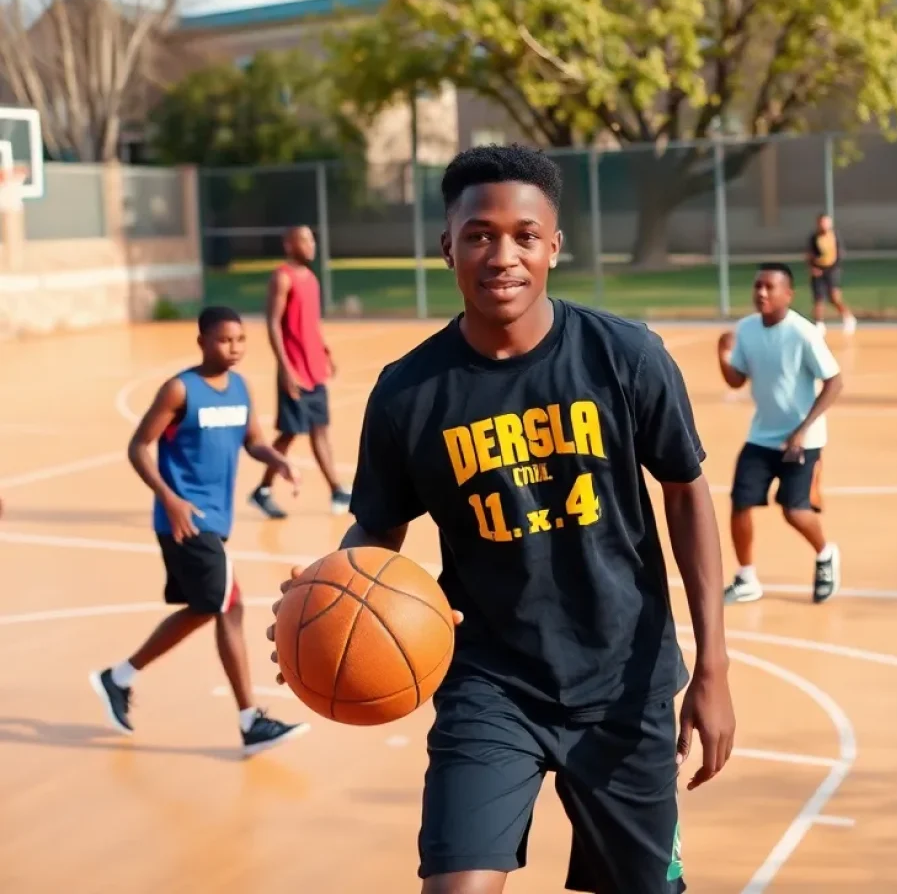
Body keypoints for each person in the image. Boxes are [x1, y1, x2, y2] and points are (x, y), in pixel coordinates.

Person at [267, 144, 736, 894]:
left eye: (524, 234)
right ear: (447, 244)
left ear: (555, 245)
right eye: (480, 234)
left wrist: (712, 667)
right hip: (489, 681)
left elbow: (685, 492)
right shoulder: (408, 392)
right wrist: (324, 597)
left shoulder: (625, 357)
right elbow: (377, 534)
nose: (502, 254)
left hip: (623, 680)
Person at [90, 306, 310, 757]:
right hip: (186, 521)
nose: (233, 348)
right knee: (227, 605)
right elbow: (138, 447)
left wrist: (278, 460)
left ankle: (119, 677)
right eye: (224, 340)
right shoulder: (180, 390)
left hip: (217, 520)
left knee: (205, 607)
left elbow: (252, 442)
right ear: (202, 341)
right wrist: (169, 498)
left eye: (240, 340)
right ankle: (250, 722)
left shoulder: (241, 388)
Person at [717, 263, 844, 606]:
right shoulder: (746, 329)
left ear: (788, 294)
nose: (761, 293)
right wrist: (723, 354)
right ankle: (746, 578)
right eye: (757, 286)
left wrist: (801, 432)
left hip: (803, 438)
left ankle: (825, 554)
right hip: (762, 435)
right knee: (740, 504)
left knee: (794, 510)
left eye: (769, 287)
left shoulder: (803, 333)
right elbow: (736, 380)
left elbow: (834, 381)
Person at [249, 225, 351, 519]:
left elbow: (310, 323)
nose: (311, 244)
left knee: (319, 429)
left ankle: (335, 489)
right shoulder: (283, 277)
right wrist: (285, 368)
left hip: (313, 368)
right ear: (289, 244)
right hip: (293, 371)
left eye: (312, 239)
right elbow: (272, 324)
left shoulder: (312, 279)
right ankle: (263, 490)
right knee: (290, 433)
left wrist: (325, 350)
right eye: (304, 239)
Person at [807, 213, 856, 335]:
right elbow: (809, 255)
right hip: (818, 270)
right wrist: (812, 267)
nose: (824, 225)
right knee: (819, 299)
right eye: (821, 222)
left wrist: (836, 268)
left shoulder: (835, 236)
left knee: (834, 297)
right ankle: (819, 324)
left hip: (832, 270)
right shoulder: (814, 238)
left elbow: (839, 253)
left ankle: (848, 317)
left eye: (826, 222)